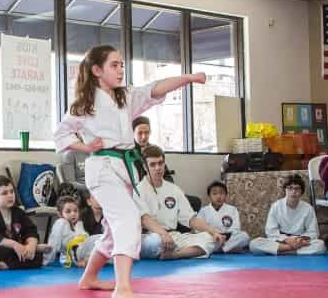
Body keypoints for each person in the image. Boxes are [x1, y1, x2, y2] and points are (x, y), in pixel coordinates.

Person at [53, 45, 206, 298]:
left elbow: (155, 88)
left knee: (115, 229)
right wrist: (86, 146)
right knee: (126, 219)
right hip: (101, 167)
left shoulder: (124, 97)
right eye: (114, 65)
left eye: (122, 64)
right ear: (97, 70)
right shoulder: (85, 102)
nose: (120, 69)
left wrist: (187, 79)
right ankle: (123, 286)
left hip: (124, 168)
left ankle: (89, 278)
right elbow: (61, 133)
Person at [137, 145, 225, 260]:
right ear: (145, 167)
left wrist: (213, 232)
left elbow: (190, 219)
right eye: (152, 164)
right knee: (155, 242)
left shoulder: (174, 189)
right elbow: (145, 219)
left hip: (173, 236)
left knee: (211, 239)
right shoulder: (139, 190)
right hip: (150, 236)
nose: (158, 168)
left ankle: (175, 255)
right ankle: (177, 251)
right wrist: (163, 234)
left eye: (160, 163)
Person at [0, 175, 50, 271]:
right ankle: (14, 260)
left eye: (12, 192)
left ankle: (4, 265)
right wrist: (15, 245)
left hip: (11, 250)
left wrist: (31, 245)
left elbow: (30, 230)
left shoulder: (18, 212)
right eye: (4, 193)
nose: (10, 195)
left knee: (36, 257)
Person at [249, 175, 326, 256]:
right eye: (290, 188)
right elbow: (270, 231)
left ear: (301, 191)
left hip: (300, 240)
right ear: (285, 190)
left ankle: (281, 251)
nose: (293, 192)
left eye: (297, 188)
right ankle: (290, 250)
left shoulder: (308, 208)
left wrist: (300, 240)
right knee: (254, 244)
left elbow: (313, 232)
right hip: (281, 240)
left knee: (320, 245)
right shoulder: (276, 206)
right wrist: (287, 240)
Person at [44, 196, 102, 267]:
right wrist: (46, 260)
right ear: (59, 214)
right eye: (68, 211)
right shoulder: (61, 222)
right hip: (77, 251)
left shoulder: (79, 224)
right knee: (102, 239)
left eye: (75, 211)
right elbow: (54, 243)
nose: (73, 214)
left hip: (84, 252)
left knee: (104, 242)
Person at [197, 181, 250, 253]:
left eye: (221, 193)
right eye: (214, 193)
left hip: (227, 239)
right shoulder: (204, 211)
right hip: (212, 238)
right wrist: (214, 234)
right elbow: (199, 229)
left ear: (226, 195)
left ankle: (221, 249)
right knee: (200, 239)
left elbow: (236, 228)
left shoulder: (232, 209)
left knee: (244, 236)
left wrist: (225, 236)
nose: (218, 196)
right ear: (209, 196)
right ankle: (228, 249)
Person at [132, 116, 174, 182]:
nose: (144, 137)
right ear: (133, 133)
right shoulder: (128, 154)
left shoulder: (155, 150)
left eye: (146, 132)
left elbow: (167, 176)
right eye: (140, 133)